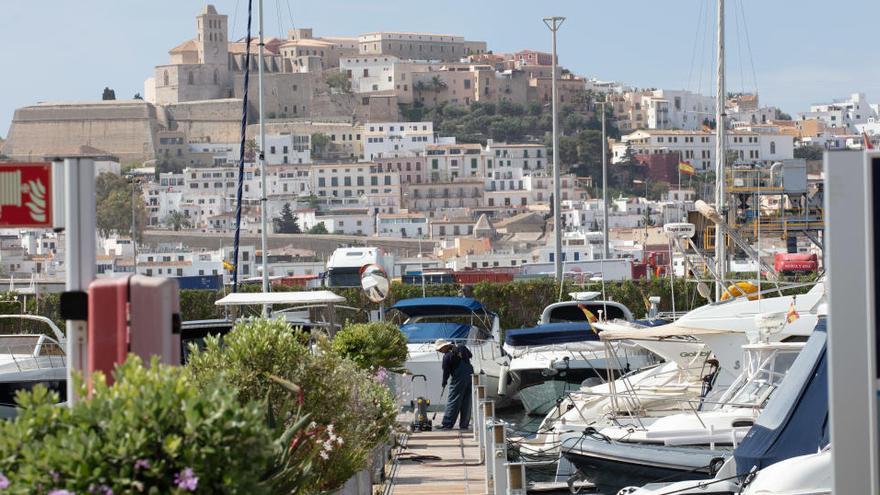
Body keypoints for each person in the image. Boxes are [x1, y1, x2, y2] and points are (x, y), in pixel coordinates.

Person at [434, 338, 474, 430]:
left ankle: (447, 424)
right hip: (470, 376)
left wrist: (444, 382)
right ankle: (464, 425)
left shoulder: (447, 356)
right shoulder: (462, 347)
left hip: (459, 378)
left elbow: (446, 372)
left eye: (440, 349)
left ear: (445, 346)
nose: (440, 351)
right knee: (466, 401)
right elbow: (470, 355)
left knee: (454, 400)